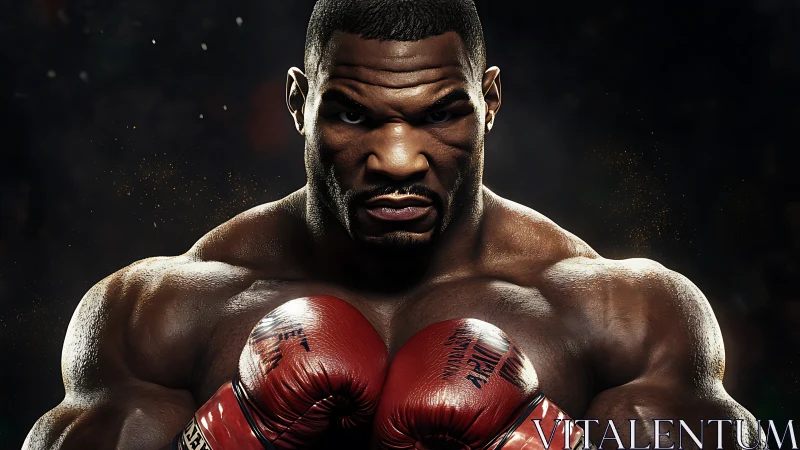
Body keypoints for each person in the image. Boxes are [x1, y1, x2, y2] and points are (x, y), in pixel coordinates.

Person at [24, 0, 763, 449]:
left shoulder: (623, 316)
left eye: (440, 113)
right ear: (298, 102)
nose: (398, 159)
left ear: (490, 101)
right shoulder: (160, 313)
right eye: (352, 113)